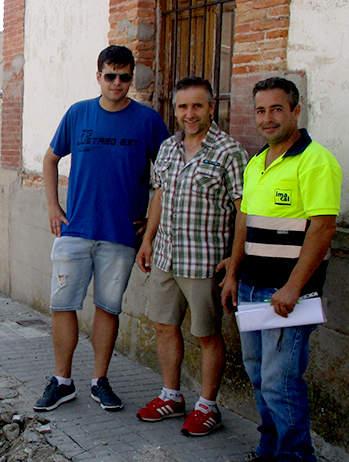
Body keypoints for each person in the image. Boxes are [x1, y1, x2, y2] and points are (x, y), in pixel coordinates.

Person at [33, 45, 170, 412]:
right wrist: (52, 206)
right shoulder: (78, 114)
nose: (117, 83)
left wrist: (152, 222)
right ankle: (62, 381)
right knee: (63, 305)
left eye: (124, 77)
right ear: (98, 76)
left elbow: (169, 175)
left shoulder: (148, 121)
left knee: (108, 309)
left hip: (121, 235)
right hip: (75, 230)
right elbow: (50, 158)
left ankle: (100, 380)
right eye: (110, 76)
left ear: (132, 78)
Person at [221, 77, 342, 462]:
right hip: (251, 289)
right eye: (260, 110)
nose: (267, 118)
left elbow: (323, 228)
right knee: (258, 375)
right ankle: (270, 447)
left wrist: (293, 286)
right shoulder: (257, 162)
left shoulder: (316, 161)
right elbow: (244, 221)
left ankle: (295, 456)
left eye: (276, 109)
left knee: (280, 382)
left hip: (288, 296)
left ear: (295, 110)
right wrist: (233, 273)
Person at [135, 77, 248, 436]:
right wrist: (148, 240)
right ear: (175, 110)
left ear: (211, 108)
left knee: (207, 334)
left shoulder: (229, 152)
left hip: (204, 261)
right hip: (166, 257)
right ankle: (171, 396)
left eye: (197, 105)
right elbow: (159, 195)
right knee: (163, 326)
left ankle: (208, 406)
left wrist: (235, 263)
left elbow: (244, 211)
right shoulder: (168, 148)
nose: (190, 113)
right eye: (183, 106)